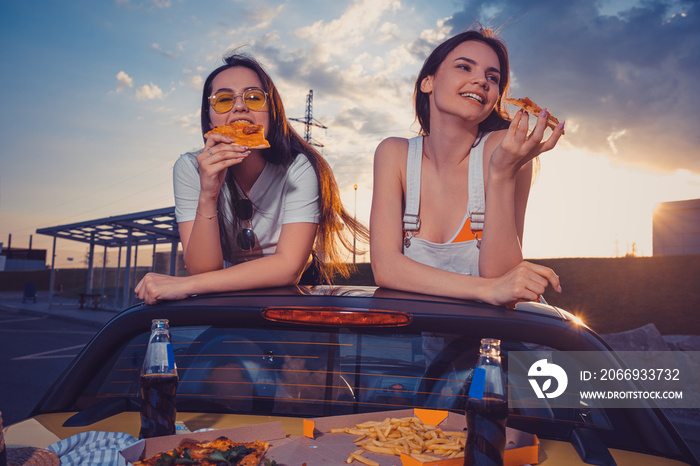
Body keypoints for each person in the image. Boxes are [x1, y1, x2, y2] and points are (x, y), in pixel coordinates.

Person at [136, 53, 367, 305]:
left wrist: (184, 285)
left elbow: (289, 268)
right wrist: (208, 194)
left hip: (300, 294)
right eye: (223, 100)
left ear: (273, 111)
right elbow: (203, 271)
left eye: (254, 97)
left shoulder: (300, 167)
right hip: (229, 294)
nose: (239, 107)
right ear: (209, 115)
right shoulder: (190, 168)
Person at [370, 28, 563, 307]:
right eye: (464, 66)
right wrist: (485, 290)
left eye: (492, 77)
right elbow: (386, 269)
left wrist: (501, 175)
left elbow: (503, 282)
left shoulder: (503, 149)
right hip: (422, 343)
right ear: (428, 81)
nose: (481, 81)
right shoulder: (394, 154)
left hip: (495, 340)